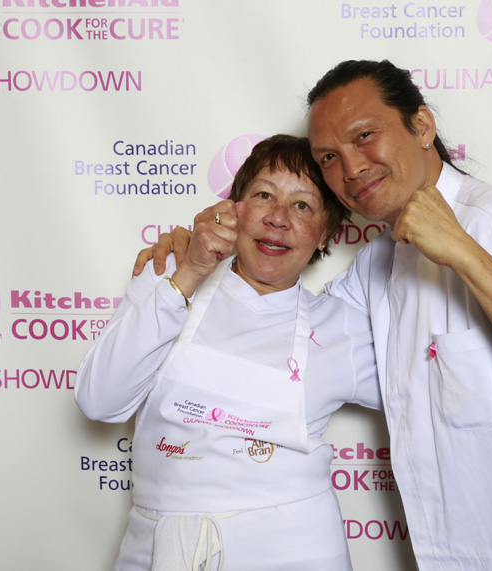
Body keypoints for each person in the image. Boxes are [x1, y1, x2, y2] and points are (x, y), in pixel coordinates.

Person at [137, 60, 492, 570]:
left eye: (365, 136)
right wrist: (194, 266)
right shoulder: (377, 265)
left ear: (421, 126)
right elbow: (277, 325)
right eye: (329, 157)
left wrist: (462, 251)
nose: (351, 168)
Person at [76, 134, 381, 571]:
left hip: (295, 550)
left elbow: (433, 394)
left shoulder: (341, 326)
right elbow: (99, 402)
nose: (277, 218)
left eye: (302, 206)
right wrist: (190, 272)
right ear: (235, 209)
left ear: (324, 235)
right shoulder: (170, 276)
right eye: (264, 195)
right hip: (158, 548)